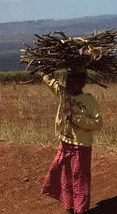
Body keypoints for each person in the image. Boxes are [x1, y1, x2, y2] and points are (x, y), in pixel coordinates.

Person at [40, 66, 103, 214]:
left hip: (80, 147)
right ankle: (69, 208)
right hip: (64, 144)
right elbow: (48, 80)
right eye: (69, 82)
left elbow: (98, 123)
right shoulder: (63, 94)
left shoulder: (89, 100)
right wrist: (49, 66)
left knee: (80, 179)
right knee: (65, 178)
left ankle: (81, 210)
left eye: (76, 82)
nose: (71, 85)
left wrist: (78, 119)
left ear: (83, 83)